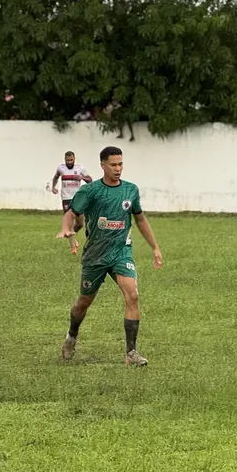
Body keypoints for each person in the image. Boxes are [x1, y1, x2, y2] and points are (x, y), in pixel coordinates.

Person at [56, 146, 163, 366]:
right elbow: (71, 214)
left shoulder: (131, 190)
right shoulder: (90, 191)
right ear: (102, 165)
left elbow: (140, 219)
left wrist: (155, 247)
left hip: (121, 252)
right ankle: (71, 336)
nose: (117, 168)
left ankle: (131, 353)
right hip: (95, 255)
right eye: (113, 164)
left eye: (120, 164)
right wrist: (67, 229)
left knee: (132, 295)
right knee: (83, 303)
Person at [51, 151, 92, 254]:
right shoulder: (61, 168)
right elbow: (56, 177)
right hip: (66, 198)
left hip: (78, 198)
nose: (69, 162)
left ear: (74, 159)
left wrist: (81, 177)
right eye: (67, 160)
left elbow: (90, 180)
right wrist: (53, 187)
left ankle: (69, 234)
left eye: (71, 160)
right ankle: (73, 247)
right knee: (69, 223)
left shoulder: (80, 168)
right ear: (65, 160)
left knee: (80, 223)